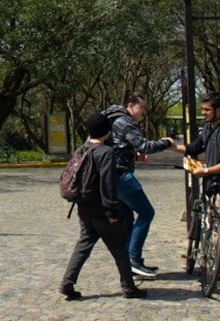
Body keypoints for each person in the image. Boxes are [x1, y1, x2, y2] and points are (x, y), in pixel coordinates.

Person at [59, 113, 147, 300]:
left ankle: (67, 282)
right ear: (107, 131)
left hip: (83, 206)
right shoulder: (106, 152)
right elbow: (107, 184)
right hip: (101, 209)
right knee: (120, 246)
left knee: (83, 244)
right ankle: (129, 287)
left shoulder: (82, 149)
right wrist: (112, 211)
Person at [102, 93, 174, 277]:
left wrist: (133, 156)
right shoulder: (125, 122)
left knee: (127, 220)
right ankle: (133, 259)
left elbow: (117, 147)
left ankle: (128, 263)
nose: (143, 113)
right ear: (131, 105)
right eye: (141, 108)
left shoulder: (114, 120)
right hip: (121, 176)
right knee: (146, 212)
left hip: (112, 175)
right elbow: (144, 146)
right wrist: (166, 142)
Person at [174, 90, 220, 282]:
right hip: (212, 182)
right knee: (212, 223)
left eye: (207, 110)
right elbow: (195, 147)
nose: (203, 113)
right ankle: (217, 265)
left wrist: (205, 171)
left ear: (219, 110)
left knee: (219, 224)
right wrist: (172, 146)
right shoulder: (209, 127)